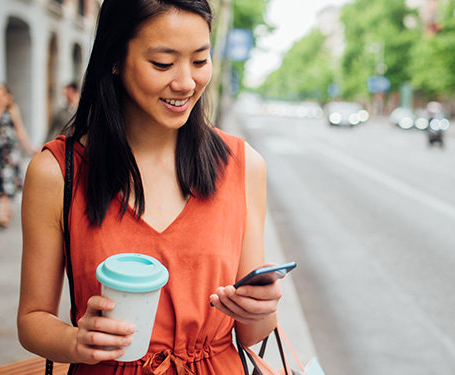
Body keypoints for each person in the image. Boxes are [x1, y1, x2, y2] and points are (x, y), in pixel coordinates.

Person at [17, 1, 281, 374]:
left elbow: (253, 334)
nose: (186, 83)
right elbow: (32, 318)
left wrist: (262, 307)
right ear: (114, 58)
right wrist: (76, 341)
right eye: (163, 63)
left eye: (200, 60)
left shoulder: (243, 165)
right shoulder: (57, 172)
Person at [0, 82, 37, 227]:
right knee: (0, 180)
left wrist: (29, 148)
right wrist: (0, 106)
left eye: (0, 93)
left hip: (11, 151)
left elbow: (19, 128)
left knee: (7, 179)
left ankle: (3, 214)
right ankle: (6, 209)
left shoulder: (12, 107)